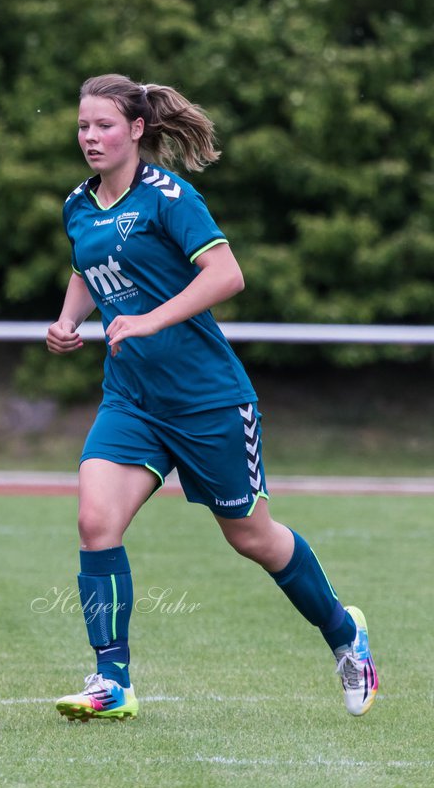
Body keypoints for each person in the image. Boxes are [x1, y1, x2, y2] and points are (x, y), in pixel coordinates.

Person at [45, 74, 376, 722]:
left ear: (137, 130)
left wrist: (149, 319)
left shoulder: (171, 196)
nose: (90, 136)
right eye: (83, 126)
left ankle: (344, 633)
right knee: (95, 522)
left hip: (207, 400)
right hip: (132, 400)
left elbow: (227, 274)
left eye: (104, 125)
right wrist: (68, 320)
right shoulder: (77, 204)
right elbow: (88, 264)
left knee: (252, 536)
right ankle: (112, 680)